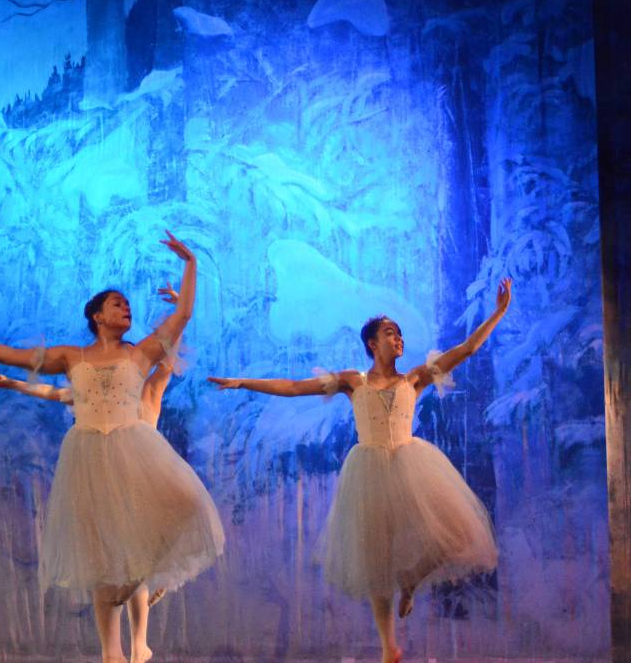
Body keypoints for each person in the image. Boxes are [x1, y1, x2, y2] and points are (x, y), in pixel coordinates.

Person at [0, 232, 224, 663]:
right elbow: (13, 354)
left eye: (128, 304)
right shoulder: (72, 357)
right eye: (117, 303)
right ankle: (112, 654)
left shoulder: (141, 353)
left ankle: (143, 578)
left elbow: (182, 315)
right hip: (88, 457)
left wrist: (191, 263)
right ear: (97, 316)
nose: (126, 308)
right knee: (101, 555)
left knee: (188, 504)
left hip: (134, 450)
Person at [208, 278, 512, 663]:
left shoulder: (415, 377)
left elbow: (466, 349)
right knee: (375, 556)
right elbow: (293, 387)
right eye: (390, 333)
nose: (398, 339)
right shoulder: (355, 381)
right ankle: (389, 648)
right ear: (373, 343)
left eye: (400, 334)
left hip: (411, 464)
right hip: (369, 470)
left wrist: (498, 312)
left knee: (454, 536)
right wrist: (242, 382)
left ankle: (413, 577)